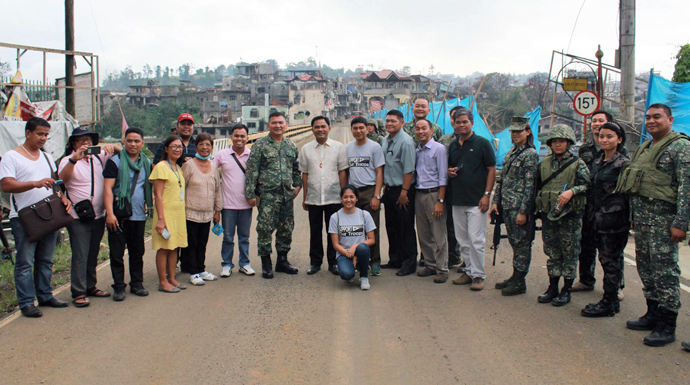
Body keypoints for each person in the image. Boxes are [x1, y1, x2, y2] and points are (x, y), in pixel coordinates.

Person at [616, 104, 690, 347]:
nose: (651, 121)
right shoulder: (645, 147)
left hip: (665, 222)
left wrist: (680, 223)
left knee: (665, 272)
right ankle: (652, 314)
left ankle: (668, 325)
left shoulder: (681, 147)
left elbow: (686, 189)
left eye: (657, 117)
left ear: (669, 119)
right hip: (644, 223)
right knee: (646, 268)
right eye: (647, 117)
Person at [0, 117, 72, 318]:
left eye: (46, 135)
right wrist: (34, 183)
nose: (43, 138)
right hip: (24, 217)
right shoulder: (12, 157)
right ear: (28, 133)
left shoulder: (47, 157)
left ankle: (45, 295)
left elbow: (55, 183)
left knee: (46, 259)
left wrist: (63, 198)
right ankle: (26, 302)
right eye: (40, 134)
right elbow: (6, 185)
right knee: (25, 262)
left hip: (50, 213)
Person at [58, 127, 121, 307]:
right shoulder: (67, 160)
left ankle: (90, 286)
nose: (85, 143)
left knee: (93, 252)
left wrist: (107, 146)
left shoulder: (98, 157)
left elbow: (120, 150)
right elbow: (62, 179)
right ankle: (78, 291)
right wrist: (73, 160)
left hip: (99, 214)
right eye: (81, 140)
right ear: (73, 144)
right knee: (80, 254)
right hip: (78, 216)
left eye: (88, 139)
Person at [535, 125, 590, 306]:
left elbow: (588, 185)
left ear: (569, 143)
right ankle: (552, 287)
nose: (558, 145)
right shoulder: (544, 163)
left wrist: (572, 191)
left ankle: (566, 289)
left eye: (562, 141)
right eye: (555, 141)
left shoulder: (577, 164)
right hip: (549, 215)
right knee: (552, 251)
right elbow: (537, 187)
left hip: (569, 217)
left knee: (570, 252)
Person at [580, 122, 630, 317]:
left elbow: (627, 194)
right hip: (596, 219)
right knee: (604, 259)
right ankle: (610, 301)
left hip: (614, 222)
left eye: (609, 136)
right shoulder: (598, 161)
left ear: (619, 139)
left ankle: (609, 302)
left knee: (611, 262)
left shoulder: (623, 164)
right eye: (602, 136)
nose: (605, 140)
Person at [244, 111, 302, 279]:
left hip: (286, 196)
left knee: (286, 228)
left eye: (281, 123)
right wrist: (250, 194)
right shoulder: (260, 146)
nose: (278, 125)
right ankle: (266, 263)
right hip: (267, 195)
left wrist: (297, 187)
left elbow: (295, 169)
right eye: (274, 122)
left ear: (286, 125)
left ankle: (282, 261)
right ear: (268, 125)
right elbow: (252, 171)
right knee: (264, 229)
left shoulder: (290, 145)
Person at [448, 108, 496, 291]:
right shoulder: (453, 145)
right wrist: (449, 172)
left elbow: (491, 169)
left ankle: (478, 276)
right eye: (458, 122)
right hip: (458, 199)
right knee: (462, 239)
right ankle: (468, 271)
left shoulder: (483, 143)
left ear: (471, 122)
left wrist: (487, 194)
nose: (461, 125)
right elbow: (451, 167)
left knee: (476, 239)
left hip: (477, 200)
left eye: (464, 122)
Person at [491, 117, 539, 296]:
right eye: (513, 131)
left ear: (528, 132)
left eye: (520, 131)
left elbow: (530, 185)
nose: (516, 134)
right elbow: (502, 179)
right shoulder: (512, 152)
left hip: (519, 207)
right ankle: (515, 276)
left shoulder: (530, 154)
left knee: (522, 244)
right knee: (514, 241)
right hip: (507, 205)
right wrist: (496, 201)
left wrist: (524, 211)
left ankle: (520, 281)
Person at [103, 127, 152, 301]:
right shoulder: (114, 162)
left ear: (142, 143)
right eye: (129, 140)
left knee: (137, 252)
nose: (133, 144)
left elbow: (148, 187)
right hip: (119, 216)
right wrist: (109, 213)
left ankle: (137, 284)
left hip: (138, 215)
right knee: (117, 252)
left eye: (137, 141)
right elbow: (108, 189)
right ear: (123, 142)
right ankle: (118, 286)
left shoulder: (146, 163)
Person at [300, 116, 348, 276]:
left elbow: (342, 172)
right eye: (316, 127)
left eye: (323, 126)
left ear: (329, 127)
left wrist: (343, 195)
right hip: (314, 198)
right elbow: (305, 174)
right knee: (315, 231)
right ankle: (315, 263)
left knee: (333, 232)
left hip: (333, 197)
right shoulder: (306, 149)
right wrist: (305, 196)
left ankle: (333, 262)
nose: (320, 129)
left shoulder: (339, 147)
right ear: (312, 129)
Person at [572, 110, 611, 294]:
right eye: (594, 121)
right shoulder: (585, 149)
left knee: (609, 249)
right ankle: (586, 279)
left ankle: (615, 286)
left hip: (608, 206)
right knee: (585, 244)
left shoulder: (617, 148)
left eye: (600, 121)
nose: (596, 124)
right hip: (587, 204)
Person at [213, 124, 255, 277]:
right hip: (227, 205)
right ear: (231, 137)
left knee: (244, 237)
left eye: (242, 136)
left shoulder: (252, 155)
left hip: (246, 204)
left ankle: (245, 263)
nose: (239, 139)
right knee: (228, 237)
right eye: (236, 136)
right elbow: (211, 171)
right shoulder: (221, 155)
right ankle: (227, 264)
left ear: (247, 138)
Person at [181, 133, 222, 286]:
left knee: (203, 242)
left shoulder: (213, 167)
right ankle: (193, 273)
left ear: (212, 147)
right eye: (201, 144)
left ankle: (201, 269)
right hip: (190, 212)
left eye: (208, 145)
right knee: (192, 243)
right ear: (196, 146)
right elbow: (181, 189)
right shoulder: (189, 165)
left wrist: (217, 210)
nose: (205, 148)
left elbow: (217, 189)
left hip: (207, 213)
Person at [380, 109, 418, 276]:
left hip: (403, 190)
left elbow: (409, 170)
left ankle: (409, 262)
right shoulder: (385, 140)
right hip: (389, 190)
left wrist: (404, 192)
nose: (389, 123)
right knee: (392, 226)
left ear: (402, 123)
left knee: (406, 227)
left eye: (393, 121)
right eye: (387, 120)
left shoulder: (407, 142)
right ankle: (395, 259)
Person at [346, 117, 385, 276]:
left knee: (371, 228)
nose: (358, 131)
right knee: (355, 229)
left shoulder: (375, 147)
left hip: (370, 191)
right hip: (354, 193)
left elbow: (379, 172)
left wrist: (376, 196)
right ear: (352, 130)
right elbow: (346, 171)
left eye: (361, 128)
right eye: (355, 128)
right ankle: (359, 261)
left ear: (367, 128)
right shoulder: (348, 148)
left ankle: (375, 261)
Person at [150, 135, 188, 293]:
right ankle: (163, 281)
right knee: (164, 248)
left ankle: (172, 278)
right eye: (174, 146)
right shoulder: (161, 166)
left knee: (174, 248)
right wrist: (161, 219)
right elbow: (157, 194)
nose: (177, 149)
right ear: (166, 149)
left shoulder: (178, 168)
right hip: (164, 214)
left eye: (180, 147)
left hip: (178, 214)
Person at [413, 118, 449, 283]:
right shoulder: (417, 150)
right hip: (419, 194)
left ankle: (442, 269)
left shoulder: (439, 149)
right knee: (424, 233)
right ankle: (430, 264)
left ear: (431, 130)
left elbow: (443, 176)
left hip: (434, 194)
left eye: (424, 128)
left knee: (438, 233)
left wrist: (440, 201)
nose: (421, 131)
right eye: (418, 129)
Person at [328, 185, 376, 290]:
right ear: (341, 198)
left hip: (360, 251)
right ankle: (351, 268)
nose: (348, 200)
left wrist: (355, 246)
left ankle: (364, 277)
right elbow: (335, 244)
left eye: (351, 197)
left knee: (362, 248)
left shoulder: (365, 215)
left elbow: (372, 240)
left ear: (356, 198)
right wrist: (349, 254)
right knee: (347, 275)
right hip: (344, 253)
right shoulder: (335, 217)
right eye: (345, 197)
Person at [439, 106, 463, 270]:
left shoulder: (478, 141)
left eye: (461, 119)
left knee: (465, 228)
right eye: (454, 119)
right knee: (448, 225)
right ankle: (450, 257)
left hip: (466, 191)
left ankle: (465, 261)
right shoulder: (444, 140)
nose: (457, 123)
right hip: (447, 189)